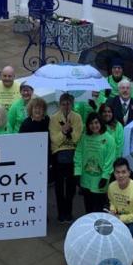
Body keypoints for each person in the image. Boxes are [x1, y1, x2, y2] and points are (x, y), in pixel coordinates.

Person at [50, 93, 83, 222]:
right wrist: (64, 131)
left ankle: (68, 211)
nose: (66, 106)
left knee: (70, 186)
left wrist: (68, 131)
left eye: (68, 103)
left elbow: (76, 139)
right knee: (59, 186)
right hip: (58, 153)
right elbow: (55, 140)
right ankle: (60, 212)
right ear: (59, 104)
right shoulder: (53, 118)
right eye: (63, 104)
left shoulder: (77, 118)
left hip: (72, 152)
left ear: (72, 104)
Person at [74, 113, 115, 213]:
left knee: (98, 207)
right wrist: (77, 172)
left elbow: (110, 159)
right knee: (88, 206)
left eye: (96, 122)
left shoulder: (109, 139)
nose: (94, 125)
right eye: (91, 123)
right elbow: (78, 154)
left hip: (100, 178)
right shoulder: (84, 137)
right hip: (86, 177)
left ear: (101, 123)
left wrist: (105, 176)